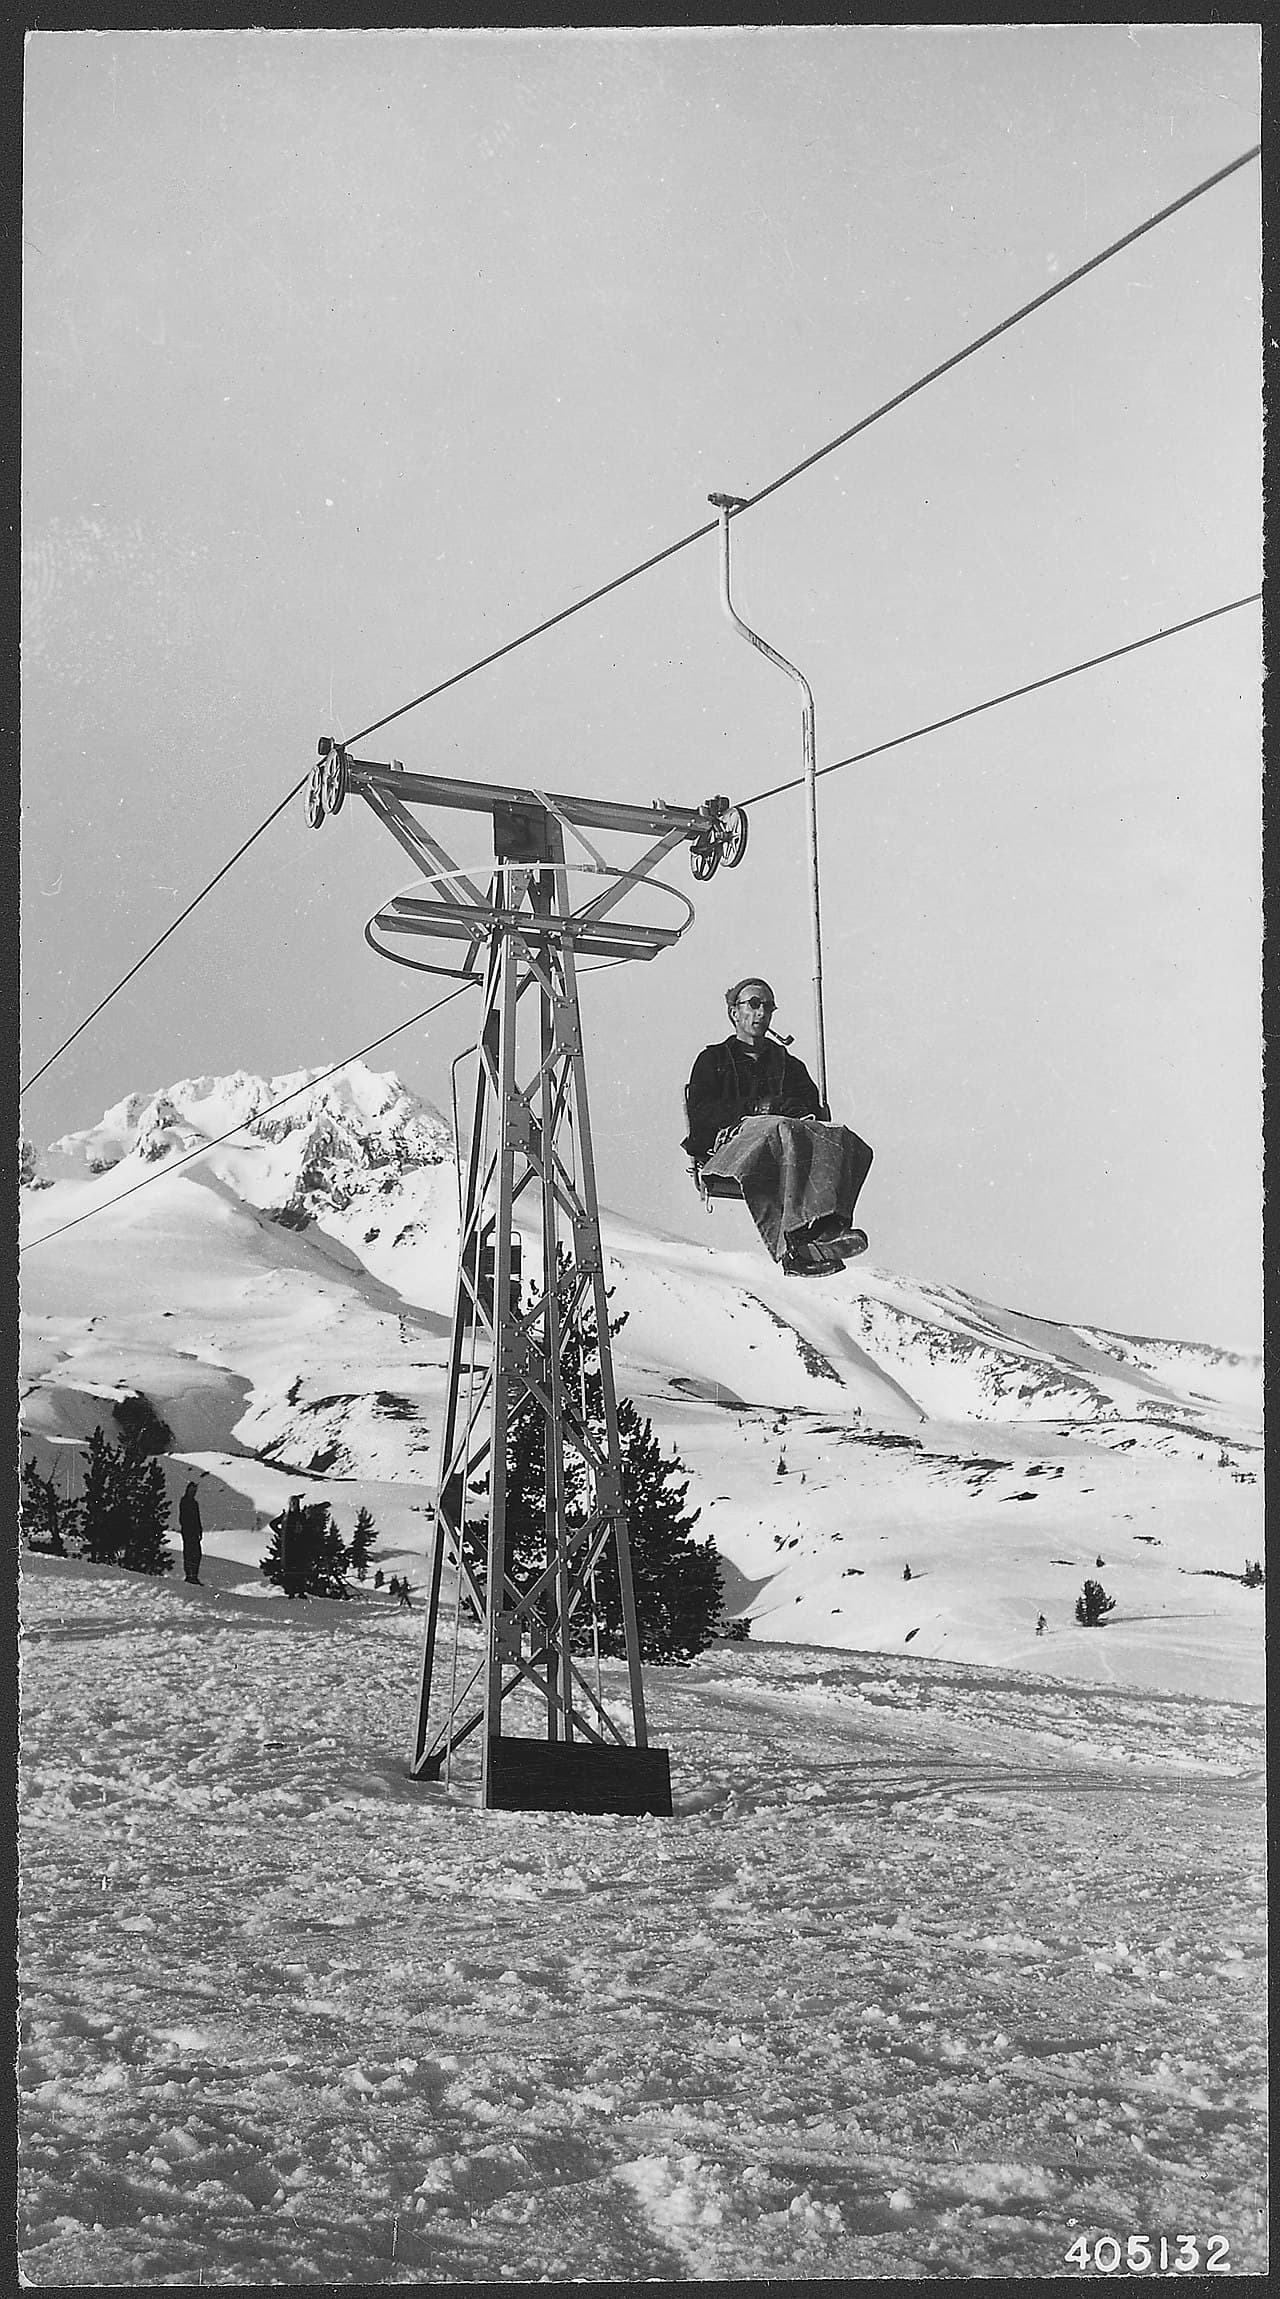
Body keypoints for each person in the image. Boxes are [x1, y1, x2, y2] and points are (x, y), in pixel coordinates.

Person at [683, 977, 873, 1276]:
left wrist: (798, 1112)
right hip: (732, 1145)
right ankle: (794, 1240)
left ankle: (827, 1226)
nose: (761, 1013)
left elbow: (813, 1110)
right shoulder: (714, 1059)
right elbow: (701, 1112)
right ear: (735, 1012)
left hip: (785, 1141)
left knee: (846, 1140)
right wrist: (755, 1110)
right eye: (754, 1004)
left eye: (768, 1007)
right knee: (781, 1129)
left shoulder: (786, 1063)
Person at [178, 1478, 203, 1585]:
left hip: (194, 1532)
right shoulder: (184, 1501)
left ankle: (194, 1576)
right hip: (188, 1532)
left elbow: (197, 1518)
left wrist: (199, 1530)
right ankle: (189, 1576)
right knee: (189, 1553)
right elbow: (183, 1518)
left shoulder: (194, 1503)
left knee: (196, 1554)